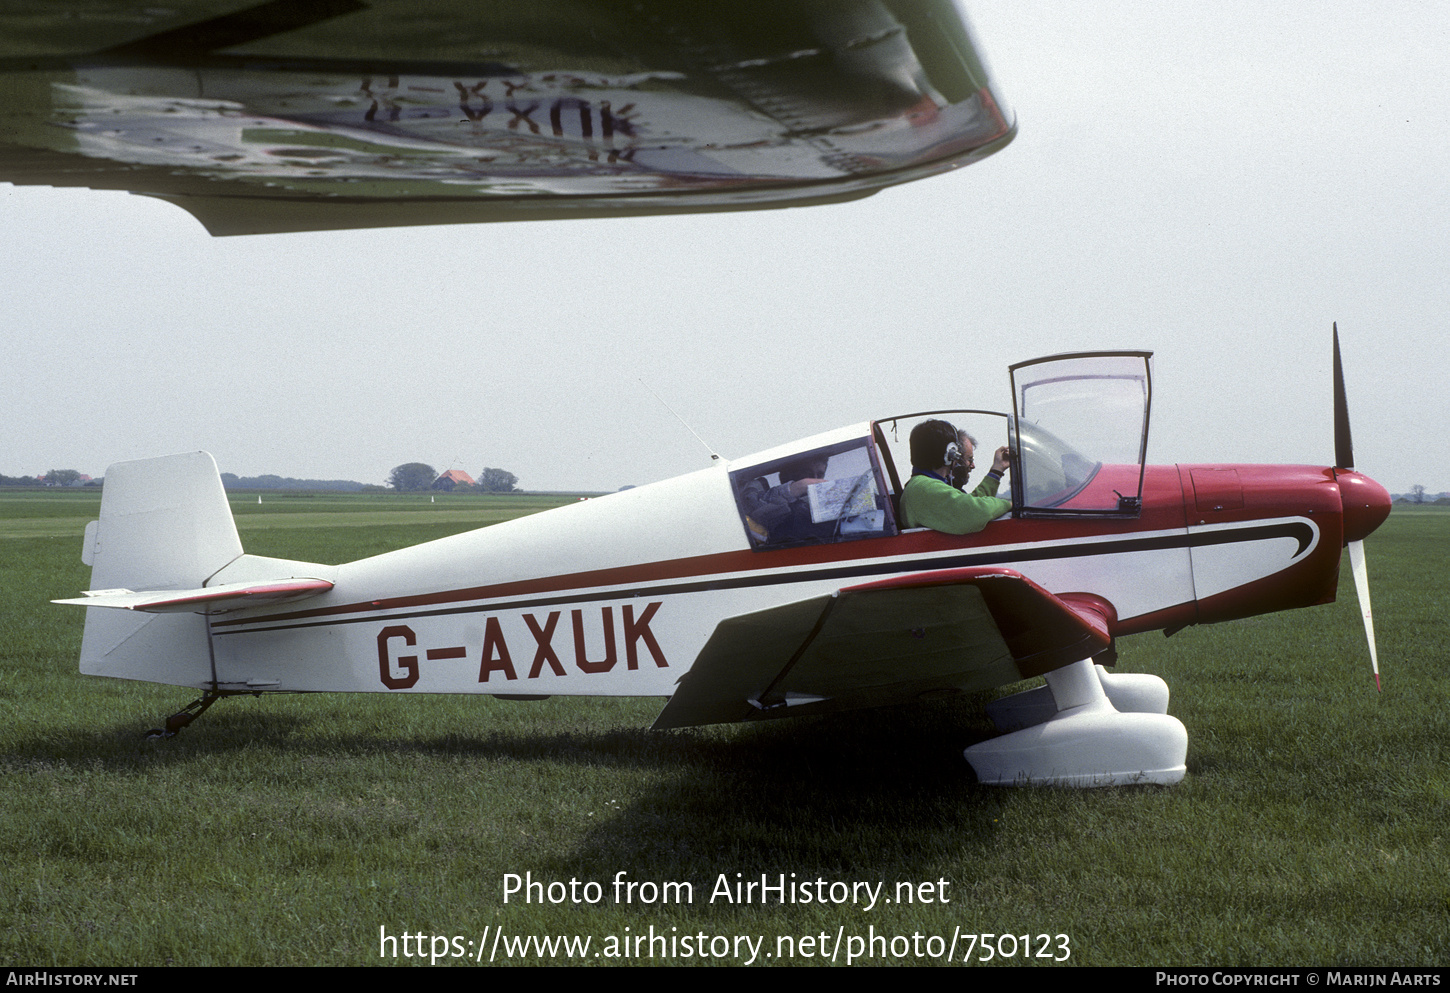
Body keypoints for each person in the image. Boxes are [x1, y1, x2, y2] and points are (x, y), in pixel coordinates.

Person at [900, 419, 1011, 534]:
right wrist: (1009, 504)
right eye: (969, 459)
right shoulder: (923, 487)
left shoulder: (924, 486)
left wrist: (997, 469)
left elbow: (967, 504)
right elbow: (975, 512)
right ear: (950, 453)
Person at [739, 455, 832, 543]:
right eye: (807, 474)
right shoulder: (766, 501)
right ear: (787, 476)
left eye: (820, 475)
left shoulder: (828, 504)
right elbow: (751, 509)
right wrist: (796, 487)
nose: (815, 479)